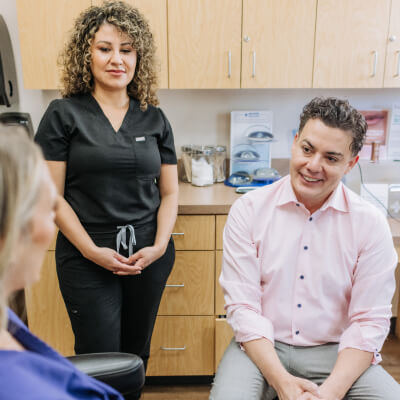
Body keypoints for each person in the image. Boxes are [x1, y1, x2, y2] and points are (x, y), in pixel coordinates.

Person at [210, 97, 400, 400]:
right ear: (295, 142)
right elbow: (243, 308)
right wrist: (282, 383)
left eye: (331, 158)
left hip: (338, 351)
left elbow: (369, 321)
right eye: (307, 149)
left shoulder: (370, 224)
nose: (313, 166)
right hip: (261, 347)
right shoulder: (249, 210)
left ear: (351, 164)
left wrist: (330, 394)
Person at [34, 0, 178, 384]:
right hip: (87, 255)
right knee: (99, 358)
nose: (117, 59)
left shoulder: (154, 117)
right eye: (105, 48)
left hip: (148, 255)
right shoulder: (63, 114)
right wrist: (90, 250)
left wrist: (159, 245)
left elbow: (169, 193)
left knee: (136, 354)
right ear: (87, 54)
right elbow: (51, 196)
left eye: (127, 50)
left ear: (138, 57)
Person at [0, 127, 124, 399]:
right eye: (47, 209)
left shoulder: (7, 322)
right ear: (11, 230)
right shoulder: (19, 389)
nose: (51, 226)